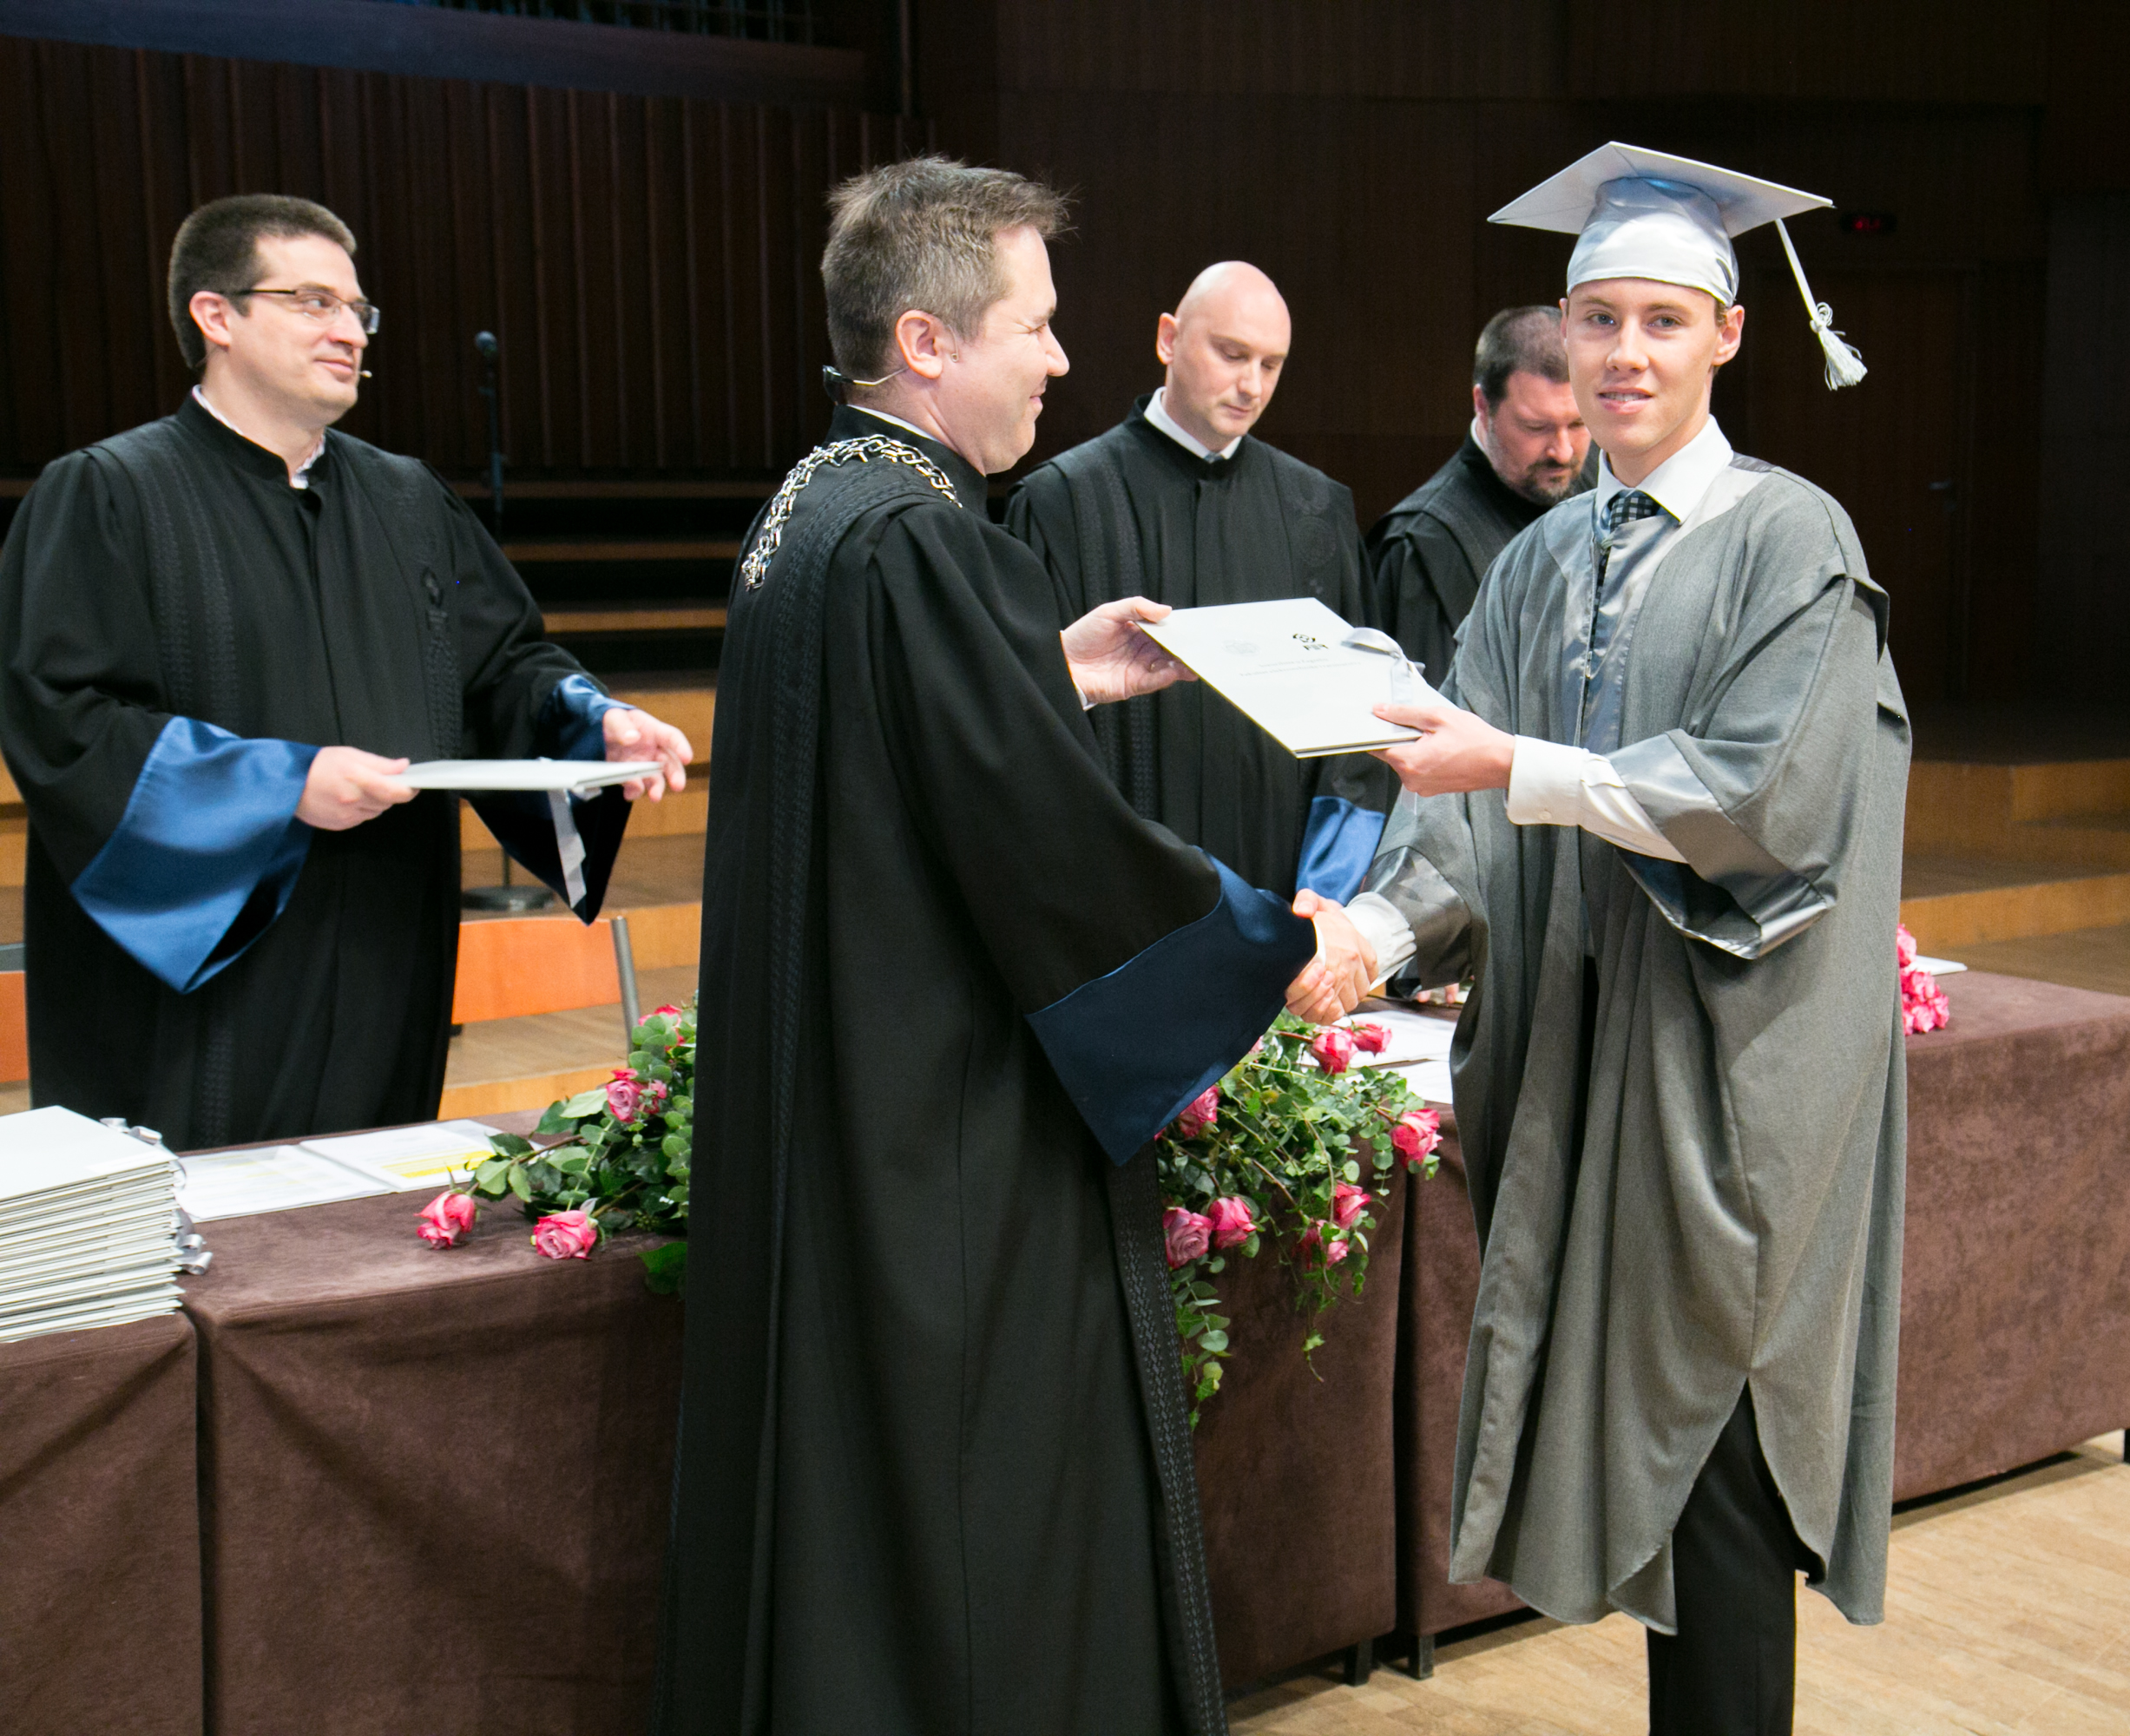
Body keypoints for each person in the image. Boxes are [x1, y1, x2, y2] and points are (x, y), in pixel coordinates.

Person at [654, 158, 1368, 1736]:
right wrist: (1262, 933)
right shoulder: (924, 539)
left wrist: (1048, 672)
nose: (1058, 357)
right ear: (926, 341)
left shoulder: (817, 507)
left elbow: (886, 757)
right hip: (943, 1134)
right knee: (979, 1507)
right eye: (1033, 325)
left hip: (835, 1100)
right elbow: (1049, 856)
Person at [1307, 143, 1901, 1735]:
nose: (1623, 355)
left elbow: (1764, 797)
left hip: (1725, 1083)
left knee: (1719, 1458)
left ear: (1729, 336)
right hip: (1581, 1071)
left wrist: (1515, 765)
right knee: (1643, 1454)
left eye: (1661, 320)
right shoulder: (1545, 561)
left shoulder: (1795, 543)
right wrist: (1369, 927)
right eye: (1597, 319)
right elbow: (1461, 815)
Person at [0, 194, 690, 1151]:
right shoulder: (110, 493)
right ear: (216, 316)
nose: (349, 332)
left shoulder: (407, 498)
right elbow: (63, 717)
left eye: (357, 310)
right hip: (208, 954)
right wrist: (283, 784)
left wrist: (591, 720)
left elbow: (502, 664)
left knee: (372, 1194)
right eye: (313, 302)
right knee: (209, 1209)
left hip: (386, 928)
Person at [1006, 261, 1390, 904]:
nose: (1251, 385)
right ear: (1168, 339)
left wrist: (1324, 899)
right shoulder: (1062, 503)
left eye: (1271, 364)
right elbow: (1033, 722)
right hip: (1116, 902)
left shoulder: (1317, 511)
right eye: (1232, 354)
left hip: (1286, 900)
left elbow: (1358, 732)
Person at [1365, 306, 1588, 681]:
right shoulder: (1422, 549)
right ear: (1483, 407)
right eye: (1536, 427)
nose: (1563, 452)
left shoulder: (1609, 480)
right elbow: (1430, 710)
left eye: (1579, 423)